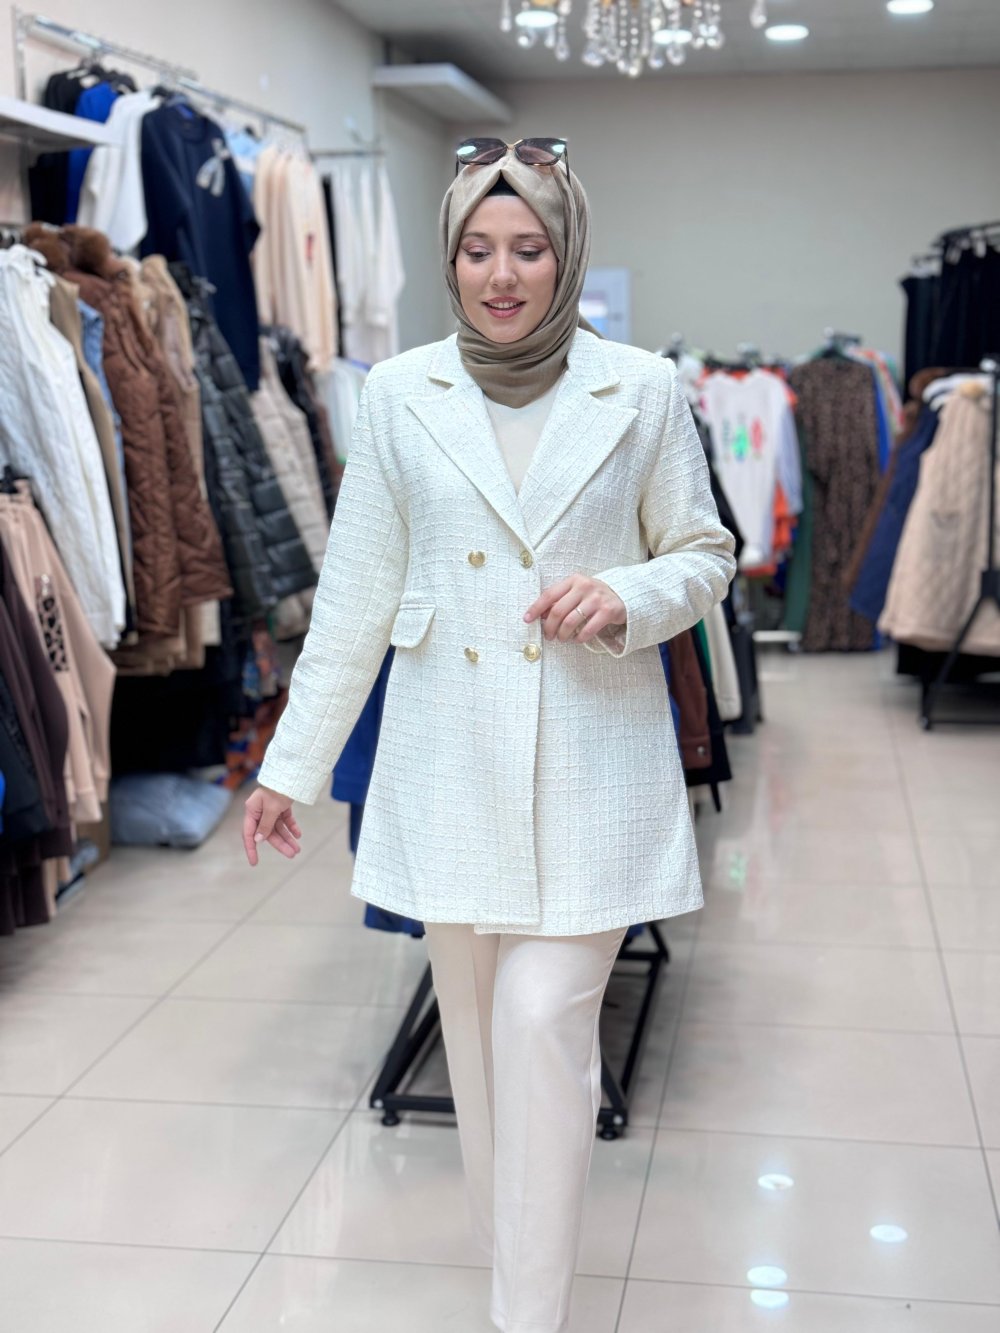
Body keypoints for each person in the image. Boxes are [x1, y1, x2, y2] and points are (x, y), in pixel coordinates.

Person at [242, 136, 736, 1333]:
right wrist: (289, 766)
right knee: (476, 1058)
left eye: (528, 248)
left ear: (567, 256)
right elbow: (356, 594)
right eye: (477, 250)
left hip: (594, 760)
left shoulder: (641, 388)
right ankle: (516, 1283)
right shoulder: (398, 392)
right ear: (450, 258)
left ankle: (529, 1315)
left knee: (538, 1022)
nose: (501, 274)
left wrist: (627, 595)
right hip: (448, 760)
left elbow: (704, 552)